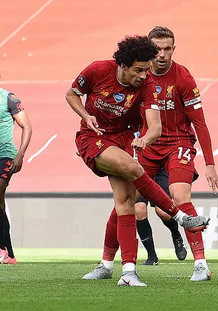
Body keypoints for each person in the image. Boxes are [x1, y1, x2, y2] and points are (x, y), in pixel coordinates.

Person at [66, 35, 210, 287]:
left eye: (146, 69)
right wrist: (86, 115)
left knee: (125, 204)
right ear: (123, 65)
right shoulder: (98, 70)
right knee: (133, 168)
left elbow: (155, 125)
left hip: (124, 139)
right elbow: (72, 94)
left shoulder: (149, 85)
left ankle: (127, 271)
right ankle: (179, 217)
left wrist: (145, 139)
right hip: (94, 136)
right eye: (139, 70)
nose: (145, 75)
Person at [133, 26, 218, 281]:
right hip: (147, 147)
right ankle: (109, 264)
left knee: (179, 194)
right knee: (129, 202)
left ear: (174, 49)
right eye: (157, 49)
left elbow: (200, 123)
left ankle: (201, 265)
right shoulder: (138, 76)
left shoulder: (183, 78)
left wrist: (210, 163)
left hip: (178, 143)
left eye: (167, 49)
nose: (162, 55)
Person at [0, 84, 33, 265]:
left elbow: (27, 127)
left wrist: (20, 154)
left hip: (5, 156)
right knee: (0, 203)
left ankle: (2, 249)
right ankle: (9, 254)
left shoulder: (8, 98)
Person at [135, 166, 188, 266]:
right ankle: (152, 256)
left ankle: (176, 235)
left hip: (158, 168)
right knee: (139, 209)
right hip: (138, 169)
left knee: (163, 212)